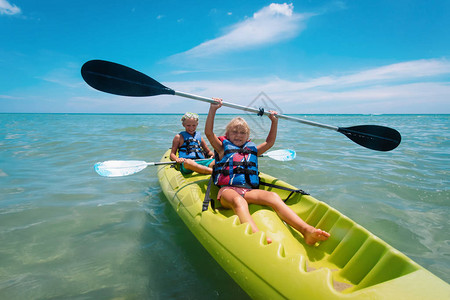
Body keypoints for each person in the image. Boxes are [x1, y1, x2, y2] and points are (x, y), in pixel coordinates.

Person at [205, 99, 330, 245]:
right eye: (234, 132)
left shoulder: (253, 150)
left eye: (242, 133)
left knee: (273, 196)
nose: (238, 135)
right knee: (239, 201)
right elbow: (208, 132)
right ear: (227, 134)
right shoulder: (221, 148)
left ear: (248, 137)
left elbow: (270, 142)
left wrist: (274, 122)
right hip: (228, 192)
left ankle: (306, 230)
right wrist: (213, 109)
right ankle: (256, 235)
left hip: (249, 191)